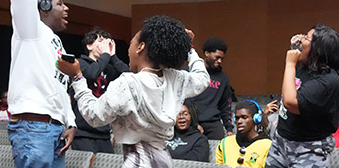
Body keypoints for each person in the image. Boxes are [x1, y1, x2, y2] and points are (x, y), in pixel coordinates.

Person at [57, 15, 210, 168]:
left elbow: (94, 116)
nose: (128, 50)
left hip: (137, 162)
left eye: (131, 44)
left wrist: (77, 77)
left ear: (140, 47)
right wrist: (189, 49)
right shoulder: (176, 78)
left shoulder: (128, 83)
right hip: (163, 161)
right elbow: (202, 78)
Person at [7, 0, 76, 168]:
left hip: (55, 130)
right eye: (60, 4)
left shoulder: (55, 41)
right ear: (44, 8)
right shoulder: (31, 29)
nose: (66, 8)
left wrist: (70, 123)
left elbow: (59, 87)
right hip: (33, 127)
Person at [265, 24, 339, 168]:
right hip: (281, 142)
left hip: (308, 149)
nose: (301, 40)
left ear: (317, 49)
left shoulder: (328, 80)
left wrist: (290, 64)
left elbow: (291, 103)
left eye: (306, 38)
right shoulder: (307, 65)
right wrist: (297, 44)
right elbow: (300, 48)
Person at [70, 28, 129, 153]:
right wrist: (105, 55)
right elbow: (91, 74)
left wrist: (113, 56)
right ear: (89, 45)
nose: (104, 45)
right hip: (83, 132)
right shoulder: (80, 63)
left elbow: (129, 76)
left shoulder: (108, 68)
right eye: (101, 41)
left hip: (104, 132)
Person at [188, 37, 234, 140]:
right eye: (217, 57)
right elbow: (184, 99)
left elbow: (225, 105)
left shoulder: (223, 78)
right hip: (190, 121)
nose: (219, 61)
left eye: (222, 58)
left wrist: (229, 129)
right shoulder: (190, 72)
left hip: (213, 123)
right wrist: (194, 123)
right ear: (207, 53)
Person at [216, 100, 272, 168]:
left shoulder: (268, 145)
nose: (239, 121)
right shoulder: (225, 143)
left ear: (256, 119)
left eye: (244, 117)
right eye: (237, 118)